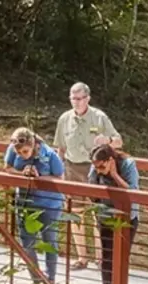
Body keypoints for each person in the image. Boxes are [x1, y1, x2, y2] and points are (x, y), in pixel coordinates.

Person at [54, 82, 123, 271]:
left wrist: (107, 140)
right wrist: (59, 171)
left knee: (96, 213)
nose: (75, 102)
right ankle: (81, 257)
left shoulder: (99, 117)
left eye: (79, 99)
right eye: (72, 98)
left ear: (88, 99)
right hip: (72, 169)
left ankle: (101, 258)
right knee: (76, 213)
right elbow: (60, 148)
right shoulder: (64, 119)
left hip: (95, 170)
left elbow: (119, 141)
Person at [2, 127, 65, 284]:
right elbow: (7, 168)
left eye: (25, 152)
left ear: (33, 144)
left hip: (49, 203)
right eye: (19, 153)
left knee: (49, 241)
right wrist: (22, 173)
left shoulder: (49, 155)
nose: (22, 155)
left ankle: (50, 279)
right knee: (27, 242)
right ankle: (37, 278)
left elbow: (60, 177)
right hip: (25, 202)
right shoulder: (13, 148)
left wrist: (40, 176)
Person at [87, 144, 139, 284]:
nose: (99, 170)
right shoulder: (95, 168)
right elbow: (92, 192)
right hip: (106, 217)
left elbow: (133, 191)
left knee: (122, 258)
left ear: (110, 160)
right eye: (96, 167)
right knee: (107, 258)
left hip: (127, 218)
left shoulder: (128, 165)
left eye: (102, 166)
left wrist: (114, 175)